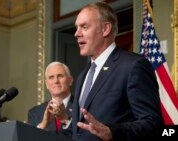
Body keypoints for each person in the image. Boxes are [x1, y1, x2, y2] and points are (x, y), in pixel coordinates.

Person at [63, 2, 163, 141]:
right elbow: (77, 131)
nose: (76, 34)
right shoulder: (83, 75)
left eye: (84, 27)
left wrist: (112, 132)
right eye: (76, 28)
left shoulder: (133, 66)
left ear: (105, 29)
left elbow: (153, 124)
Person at [27, 61, 74, 132]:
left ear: (70, 80)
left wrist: (66, 120)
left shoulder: (82, 106)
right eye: (51, 77)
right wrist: (42, 126)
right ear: (46, 84)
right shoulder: (35, 113)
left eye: (60, 76)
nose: (56, 81)